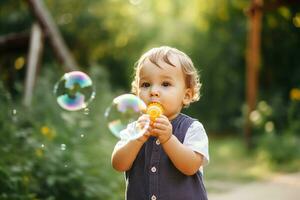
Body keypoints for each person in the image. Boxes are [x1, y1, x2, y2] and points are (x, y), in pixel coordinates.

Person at [111, 46, 209, 200]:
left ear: (187, 95)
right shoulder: (135, 129)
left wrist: (169, 140)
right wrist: (137, 139)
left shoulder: (192, 128)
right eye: (145, 84)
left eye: (165, 84)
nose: (153, 91)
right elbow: (118, 164)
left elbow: (191, 166)